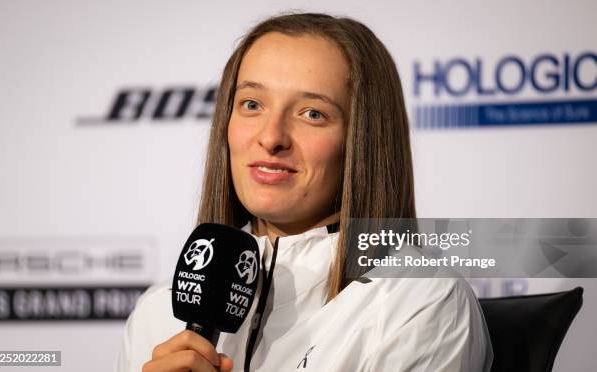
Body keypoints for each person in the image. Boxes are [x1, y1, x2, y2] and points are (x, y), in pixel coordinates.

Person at [115, 12, 493, 372]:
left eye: (312, 113)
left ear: (363, 142)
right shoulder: (157, 314)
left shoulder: (417, 300)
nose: (271, 137)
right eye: (252, 104)